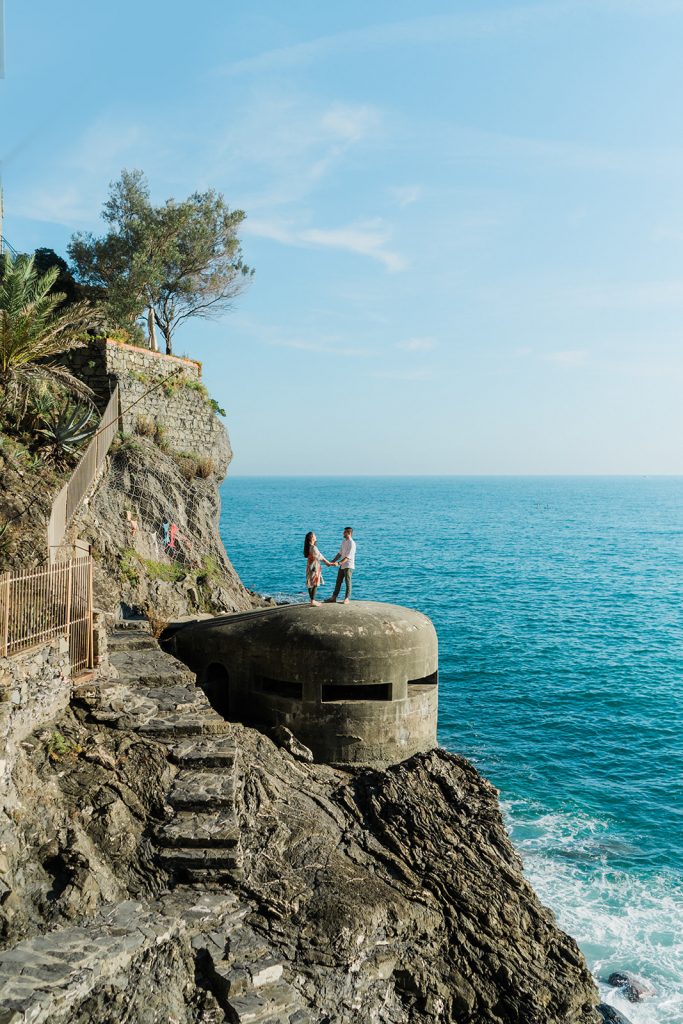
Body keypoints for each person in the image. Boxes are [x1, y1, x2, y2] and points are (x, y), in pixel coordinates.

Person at [303, 531, 336, 606]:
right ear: (312, 538)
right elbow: (320, 557)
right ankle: (313, 601)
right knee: (315, 583)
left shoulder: (308, 547)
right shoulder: (313, 547)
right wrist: (328, 563)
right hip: (314, 567)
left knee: (310, 583)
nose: (316, 536)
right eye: (314, 535)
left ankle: (312, 600)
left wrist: (328, 563)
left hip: (309, 567)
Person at [326, 526, 356, 604]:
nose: (343, 533)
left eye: (345, 532)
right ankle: (334, 597)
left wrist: (339, 563)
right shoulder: (344, 541)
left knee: (347, 582)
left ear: (349, 533)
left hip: (348, 566)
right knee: (338, 581)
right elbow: (340, 553)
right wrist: (332, 561)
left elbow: (348, 557)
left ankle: (347, 598)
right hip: (342, 565)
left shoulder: (352, 543)